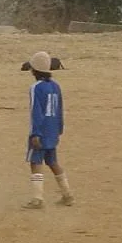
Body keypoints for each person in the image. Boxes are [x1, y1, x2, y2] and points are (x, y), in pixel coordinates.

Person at [24, 50, 73, 209]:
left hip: (41, 130)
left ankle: (37, 198)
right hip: (53, 130)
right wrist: (59, 128)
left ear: (33, 70)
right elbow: (60, 108)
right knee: (52, 161)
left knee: (35, 162)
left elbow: (36, 112)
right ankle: (67, 194)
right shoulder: (55, 86)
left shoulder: (35, 88)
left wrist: (35, 133)